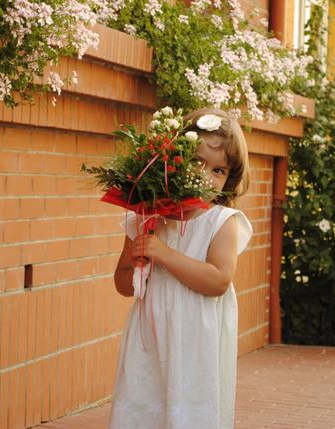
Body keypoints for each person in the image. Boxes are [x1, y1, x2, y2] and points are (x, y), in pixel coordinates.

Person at [108, 107, 253, 429]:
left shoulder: (221, 222)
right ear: (172, 160)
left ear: (229, 179)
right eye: (197, 163)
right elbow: (122, 284)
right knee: (144, 404)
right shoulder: (145, 216)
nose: (206, 176)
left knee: (189, 410)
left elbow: (218, 281)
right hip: (151, 337)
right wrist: (138, 265)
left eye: (218, 170)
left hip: (194, 341)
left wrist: (164, 254)